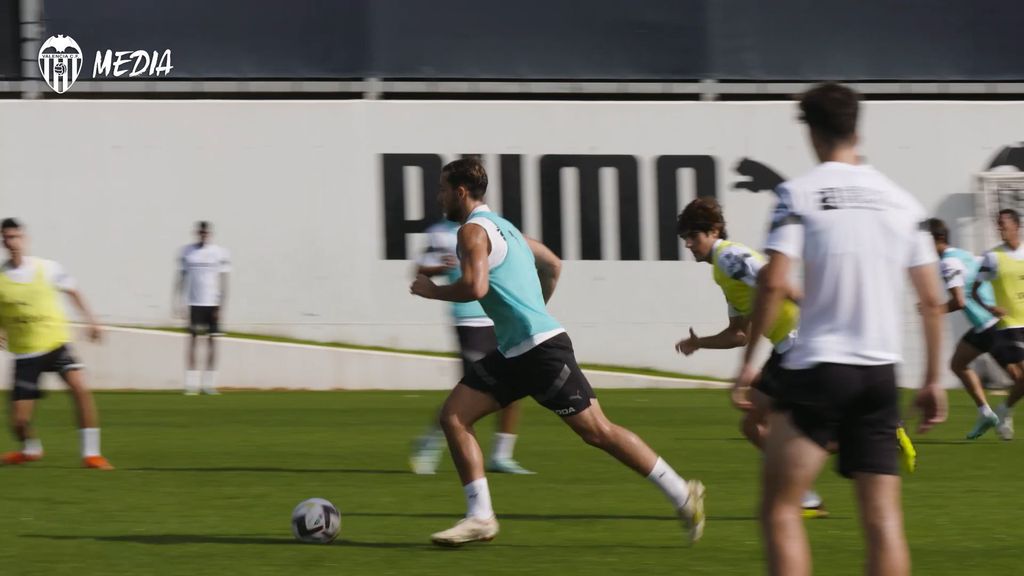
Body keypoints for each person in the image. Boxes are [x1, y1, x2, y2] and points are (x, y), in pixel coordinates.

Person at [411, 158, 705, 547]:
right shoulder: (508, 229)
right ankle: (481, 516)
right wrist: (536, 309)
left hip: (538, 351)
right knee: (454, 417)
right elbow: (552, 264)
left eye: (443, 189)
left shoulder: (470, 232)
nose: (439, 196)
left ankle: (682, 494)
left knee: (598, 431)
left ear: (460, 192)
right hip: (517, 350)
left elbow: (475, 287)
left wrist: (434, 291)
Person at [735, 82, 947, 576]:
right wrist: (934, 379)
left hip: (821, 370)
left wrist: (747, 365)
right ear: (856, 125)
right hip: (879, 374)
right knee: (883, 522)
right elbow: (932, 301)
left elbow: (775, 281)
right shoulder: (902, 202)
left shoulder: (798, 194)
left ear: (811, 131)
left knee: (782, 509)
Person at [675, 197, 826, 518]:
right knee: (758, 422)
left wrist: (813, 309)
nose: (689, 244)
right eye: (685, 238)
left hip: (798, 340)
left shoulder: (729, 257)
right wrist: (698, 342)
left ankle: (864, 435)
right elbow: (738, 334)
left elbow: (774, 280)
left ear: (714, 231)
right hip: (789, 344)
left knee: (771, 423)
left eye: (693, 236)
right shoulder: (722, 270)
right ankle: (808, 494)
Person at [409, 219, 533, 475]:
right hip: (469, 320)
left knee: (517, 383)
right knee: (473, 390)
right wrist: (436, 268)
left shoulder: (489, 226)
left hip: (500, 317)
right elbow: (419, 270)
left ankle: (501, 455)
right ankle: (430, 441)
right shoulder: (439, 233)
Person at [0, 218, 114, 470]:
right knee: (18, 422)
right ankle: (30, 449)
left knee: (80, 387)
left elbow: (73, 290)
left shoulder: (48, 268)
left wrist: (92, 321)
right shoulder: (1, 278)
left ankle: (91, 454)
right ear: (2, 241)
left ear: (25, 239)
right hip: (25, 354)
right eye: (7, 238)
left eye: (16, 236)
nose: (12, 242)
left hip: (56, 344)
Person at [926, 218, 1003, 438]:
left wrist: (934, 310)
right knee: (958, 363)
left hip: (990, 326)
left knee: (1019, 379)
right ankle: (986, 413)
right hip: (985, 325)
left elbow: (959, 301)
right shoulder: (964, 255)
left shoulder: (948, 263)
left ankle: (1000, 413)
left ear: (938, 239)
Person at [972, 208, 1024, 441]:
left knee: (1021, 380)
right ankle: (1005, 411)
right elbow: (973, 290)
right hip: (1009, 325)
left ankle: (1004, 410)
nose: (1000, 228)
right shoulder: (992, 257)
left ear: (1016, 225)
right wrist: (989, 307)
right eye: (998, 224)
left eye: (1003, 223)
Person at [174, 221, 230, 395]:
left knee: (212, 342)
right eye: (200, 232)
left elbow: (224, 282)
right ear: (197, 233)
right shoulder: (187, 252)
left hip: (212, 304)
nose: (203, 235)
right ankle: (191, 384)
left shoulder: (219, 253)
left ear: (209, 234)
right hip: (194, 303)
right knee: (192, 341)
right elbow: (180, 279)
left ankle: (209, 384)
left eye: (206, 233)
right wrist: (178, 302)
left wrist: (221, 306)